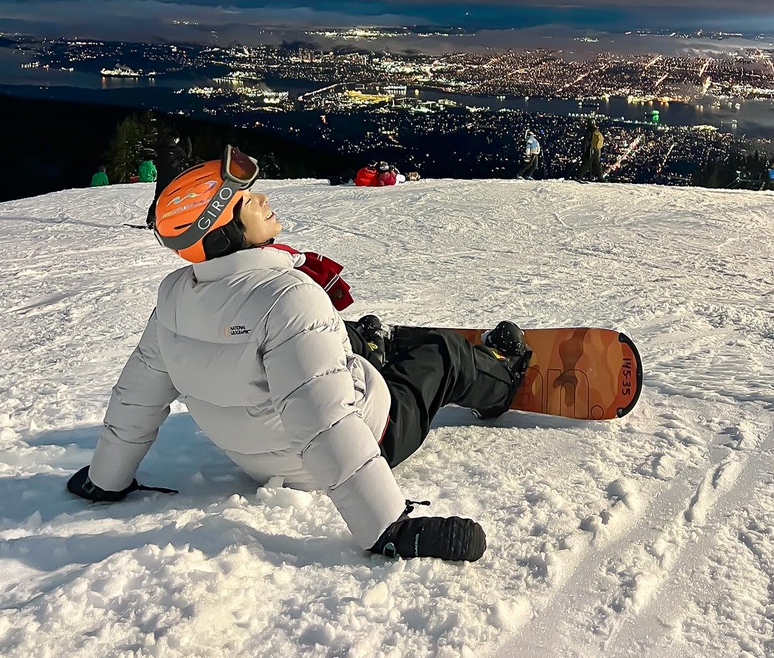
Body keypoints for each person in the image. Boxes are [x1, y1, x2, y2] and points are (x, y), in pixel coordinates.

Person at [66, 147, 532, 563]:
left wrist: (105, 480)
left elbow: (137, 396)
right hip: (371, 436)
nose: (264, 200)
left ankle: (365, 347)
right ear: (224, 229)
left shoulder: (174, 297)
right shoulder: (287, 295)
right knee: (443, 354)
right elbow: (322, 419)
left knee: (332, 339)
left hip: (256, 460)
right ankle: (501, 380)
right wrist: (387, 527)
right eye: (248, 200)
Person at [145, 131, 192, 227]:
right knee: (175, 199)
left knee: (158, 198)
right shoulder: (177, 150)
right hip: (173, 178)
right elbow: (187, 156)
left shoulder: (161, 149)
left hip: (162, 178)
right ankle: (174, 220)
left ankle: (151, 219)